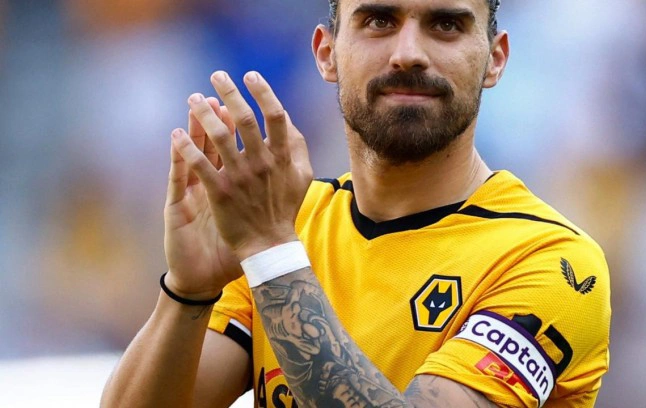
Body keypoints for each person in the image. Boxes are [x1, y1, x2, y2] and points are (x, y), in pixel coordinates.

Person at [101, 0, 611, 407]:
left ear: (495, 59)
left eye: (446, 25)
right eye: (379, 21)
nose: (408, 53)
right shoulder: (289, 224)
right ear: (326, 53)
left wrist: (270, 252)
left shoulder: (552, 262)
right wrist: (188, 291)